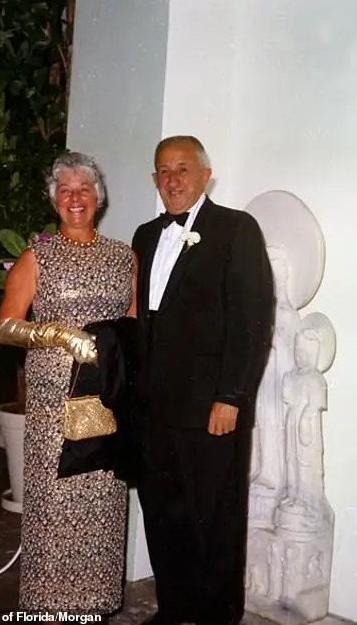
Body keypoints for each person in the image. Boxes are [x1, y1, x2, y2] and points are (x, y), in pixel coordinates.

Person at [131, 135, 274, 625]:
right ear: (154, 180)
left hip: (211, 406)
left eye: (182, 169)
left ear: (205, 175)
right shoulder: (145, 235)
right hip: (155, 407)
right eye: (163, 171)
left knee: (215, 516)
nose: (172, 180)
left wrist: (231, 396)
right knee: (164, 513)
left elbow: (252, 320)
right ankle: (175, 607)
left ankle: (217, 615)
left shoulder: (236, 229)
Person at [0, 151, 136, 615]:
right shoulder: (38, 255)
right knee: (55, 513)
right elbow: (6, 327)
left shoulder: (123, 257)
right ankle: (50, 607)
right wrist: (60, 334)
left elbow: (134, 326)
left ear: (99, 196)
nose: (76, 198)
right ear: (53, 199)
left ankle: (93, 606)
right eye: (65, 190)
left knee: (101, 509)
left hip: (106, 404)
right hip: (55, 410)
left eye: (84, 189)